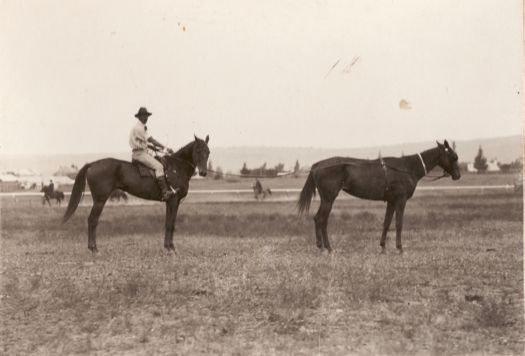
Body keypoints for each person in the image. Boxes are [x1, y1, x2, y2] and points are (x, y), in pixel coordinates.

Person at [129, 107, 174, 201]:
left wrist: (155, 148)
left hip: (141, 152)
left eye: (147, 116)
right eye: (144, 116)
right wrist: (164, 148)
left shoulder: (140, 127)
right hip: (139, 154)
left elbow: (145, 143)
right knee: (159, 167)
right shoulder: (139, 128)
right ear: (139, 117)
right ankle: (165, 192)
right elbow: (151, 140)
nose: (146, 118)